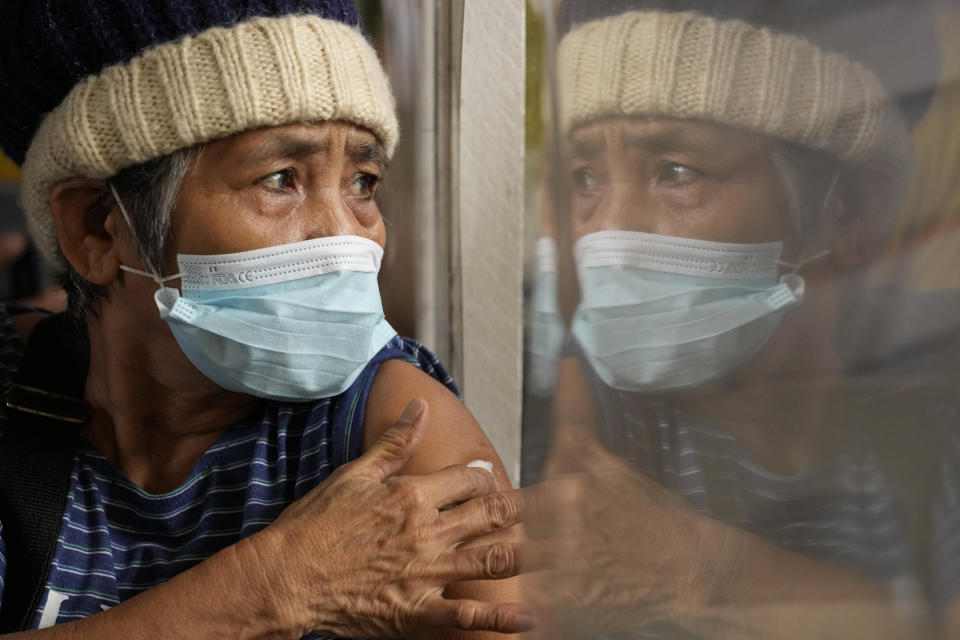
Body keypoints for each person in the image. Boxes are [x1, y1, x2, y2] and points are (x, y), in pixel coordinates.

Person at [0, 1, 527, 637]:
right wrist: (273, 586)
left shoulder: (393, 429)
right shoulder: (12, 391)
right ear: (99, 229)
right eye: (280, 179)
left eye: (362, 181)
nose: (346, 239)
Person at [522, 1, 944, 638]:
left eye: (677, 172)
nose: (608, 231)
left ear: (849, 212)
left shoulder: (933, 430)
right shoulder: (568, 433)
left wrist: (702, 573)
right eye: (586, 177)